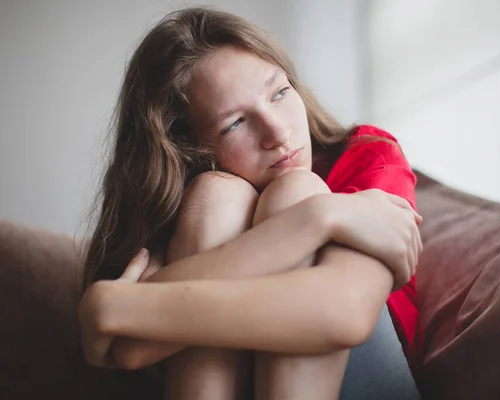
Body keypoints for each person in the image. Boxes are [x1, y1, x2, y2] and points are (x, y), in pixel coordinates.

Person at [78, 7, 423, 400]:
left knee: (295, 191)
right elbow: (133, 343)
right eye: (234, 123)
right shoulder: (194, 210)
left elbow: (345, 313)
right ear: (187, 149)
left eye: (279, 92)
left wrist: (118, 309)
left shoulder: (366, 157)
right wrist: (320, 219)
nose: (278, 131)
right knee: (217, 197)